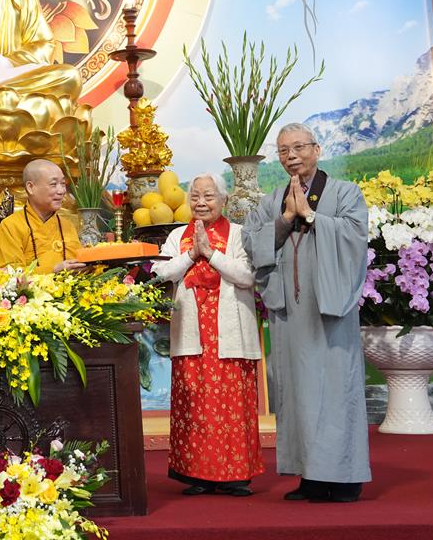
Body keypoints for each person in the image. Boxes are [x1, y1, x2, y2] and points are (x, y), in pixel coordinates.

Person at [242, 123, 371, 503]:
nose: (291, 156)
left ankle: (345, 477)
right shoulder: (271, 201)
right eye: (283, 150)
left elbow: (355, 235)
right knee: (297, 393)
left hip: (330, 310)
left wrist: (311, 216)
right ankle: (311, 477)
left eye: (299, 147)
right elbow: (251, 241)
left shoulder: (345, 193)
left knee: (336, 390)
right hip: (292, 315)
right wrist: (285, 219)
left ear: (317, 149)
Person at [152, 173, 264, 496]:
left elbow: (247, 276)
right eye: (195, 197)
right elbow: (161, 272)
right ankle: (197, 475)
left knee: (232, 408)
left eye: (209, 196)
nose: (201, 203)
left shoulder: (239, 234)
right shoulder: (177, 236)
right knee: (194, 405)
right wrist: (191, 254)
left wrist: (211, 254)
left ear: (224, 200)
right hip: (191, 333)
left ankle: (235, 476)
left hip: (230, 334)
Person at [0, 158, 84, 272]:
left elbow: (78, 264)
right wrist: (53, 270)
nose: (61, 191)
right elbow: (8, 274)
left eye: (63, 184)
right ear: (31, 187)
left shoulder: (67, 226)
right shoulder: (10, 226)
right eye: (53, 184)